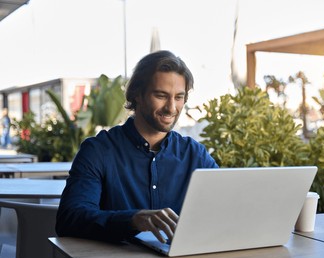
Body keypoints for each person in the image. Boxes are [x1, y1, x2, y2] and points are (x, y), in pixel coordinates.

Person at [56, 50, 218, 244]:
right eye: (161, 95)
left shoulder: (195, 155)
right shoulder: (98, 151)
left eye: (179, 97)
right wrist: (133, 220)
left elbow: (225, 205)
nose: (171, 108)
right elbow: (70, 218)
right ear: (137, 94)